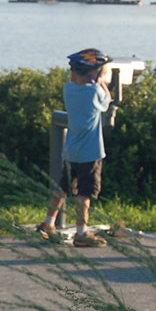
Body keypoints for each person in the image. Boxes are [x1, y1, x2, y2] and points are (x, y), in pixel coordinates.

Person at [39, 48, 113, 247]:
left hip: (71, 151)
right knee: (84, 193)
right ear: (94, 73)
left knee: (62, 188)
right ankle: (81, 232)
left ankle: (48, 222)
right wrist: (102, 84)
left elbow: (78, 85)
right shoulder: (95, 92)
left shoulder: (68, 90)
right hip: (90, 152)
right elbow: (108, 102)